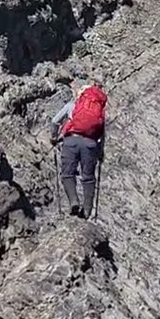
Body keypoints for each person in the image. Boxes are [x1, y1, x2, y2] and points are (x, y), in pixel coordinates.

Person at [50, 79, 107, 218]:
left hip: (71, 141)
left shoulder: (73, 106)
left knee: (67, 173)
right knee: (88, 177)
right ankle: (87, 211)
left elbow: (55, 121)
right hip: (90, 144)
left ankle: (74, 202)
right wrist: (99, 153)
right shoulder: (99, 112)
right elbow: (102, 135)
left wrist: (53, 137)